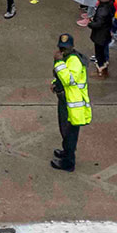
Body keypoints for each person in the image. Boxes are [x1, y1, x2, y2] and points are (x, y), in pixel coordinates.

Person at [51, 33, 91, 170]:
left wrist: (58, 62)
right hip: (66, 100)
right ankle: (65, 152)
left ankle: (69, 163)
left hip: (73, 104)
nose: (63, 51)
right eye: (61, 48)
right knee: (64, 129)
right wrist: (55, 84)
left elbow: (68, 79)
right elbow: (60, 78)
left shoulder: (73, 60)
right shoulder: (67, 58)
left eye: (65, 48)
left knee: (70, 133)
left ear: (72, 47)